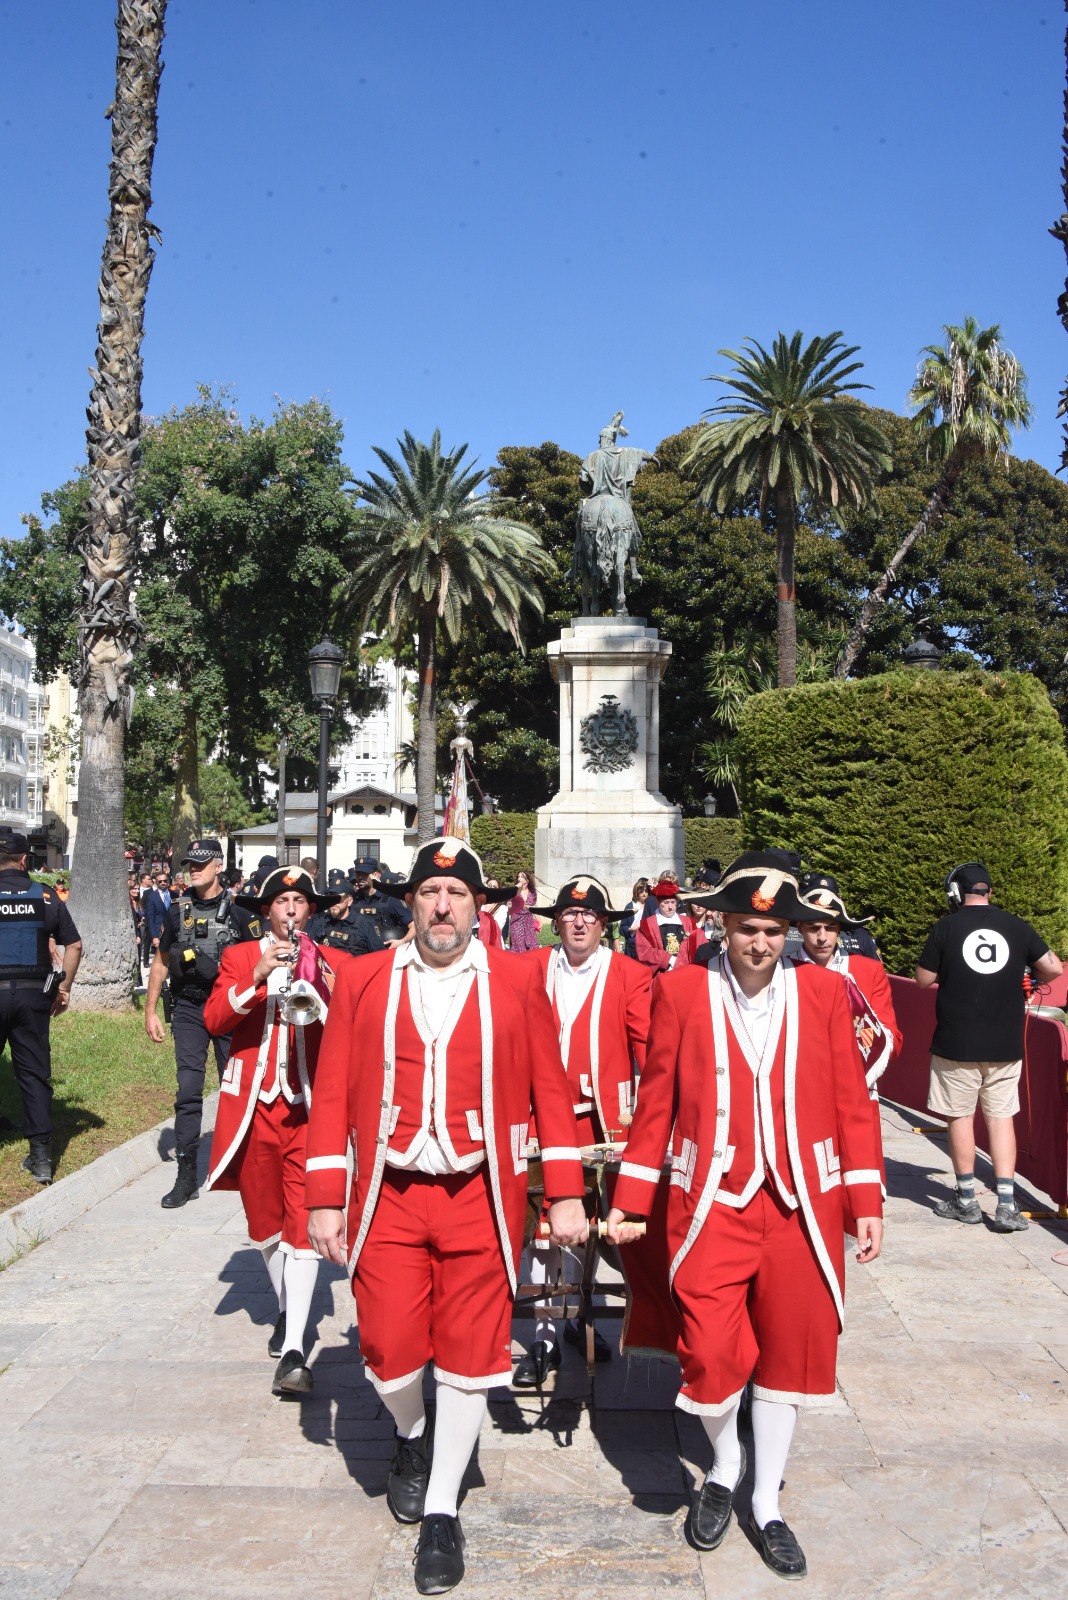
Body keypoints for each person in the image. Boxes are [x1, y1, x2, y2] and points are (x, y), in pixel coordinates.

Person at [305, 838, 586, 1596]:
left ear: (477, 906)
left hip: (479, 1195)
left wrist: (564, 1191)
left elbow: (551, 1090)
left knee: (470, 1354)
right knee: (387, 1348)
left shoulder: (519, 979)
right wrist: (325, 1197)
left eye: (456, 894)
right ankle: (411, 1430)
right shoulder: (364, 978)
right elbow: (331, 1090)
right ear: (411, 902)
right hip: (390, 1194)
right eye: (430, 892)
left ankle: (441, 1510)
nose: (442, 906)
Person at [607, 851, 883, 1581]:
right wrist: (631, 1198)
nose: (761, 942)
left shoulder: (825, 991)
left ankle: (767, 1503)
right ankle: (726, 1465)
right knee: (708, 1351)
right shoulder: (682, 990)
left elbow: (852, 1101)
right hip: (710, 1202)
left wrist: (866, 1200)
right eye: (747, 928)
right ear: (723, 926)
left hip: (801, 1203)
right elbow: (657, 1102)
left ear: (788, 932)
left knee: (792, 1350)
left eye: (773, 930)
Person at [204, 865, 349, 1397]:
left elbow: (351, 1026)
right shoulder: (240, 955)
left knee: (304, 1222)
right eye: (283, 901)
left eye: (300, 901)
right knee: (265, 1222)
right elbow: (214, 1019)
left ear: (311, 910)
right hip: (255, 1108)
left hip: (309, 1111)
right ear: (267, 911)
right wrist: (258, 975)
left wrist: (324, 985)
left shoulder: (333, 960)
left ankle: (293, 1350)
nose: (291, 909)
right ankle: (289, 1311)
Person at [513, 875, 652, 1385]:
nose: (578, 922)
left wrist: (653, 1120)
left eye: (589, 914)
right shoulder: (528, 967)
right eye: (569, 914)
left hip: (602, 1122)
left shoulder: (630, 974)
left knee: (589, 1223)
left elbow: (649, 1052)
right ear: (555, 921)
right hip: (537, 1117)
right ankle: (544, 1339)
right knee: (542, 1224)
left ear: (603, 923)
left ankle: (577, 1314)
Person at [915, 861, 1063, 1233]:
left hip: (956, 1043)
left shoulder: (945, 927)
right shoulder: (1016, 926)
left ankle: (966, 1201)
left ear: (955, 893)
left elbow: (923, 979)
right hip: (1005, 1044)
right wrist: (1026, 974)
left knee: (960, 1117)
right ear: (989, 891)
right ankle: (1007, 1205)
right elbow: (1053, 968)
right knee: (1001, 1118)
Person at [144, 839, 256, 1208]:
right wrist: (150, 1011)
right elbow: (161, 961)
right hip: (189, 1008)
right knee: (188, 1089)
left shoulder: (241, 914)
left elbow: (261, 965)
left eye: (201, 864)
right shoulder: (177, 911)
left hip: (229, 1008)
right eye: (190, 864)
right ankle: (186, 1174)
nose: (194, 869)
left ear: (218, 866)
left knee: (236, 1087)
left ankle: (246, 1164)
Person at [792, 875, 901, 1185]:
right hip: (799, 1093)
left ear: (840, 928)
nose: (822, 937)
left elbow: (893, 1040)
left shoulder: (868, 970)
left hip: (856, 1094)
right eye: (813, 927)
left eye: (830, 927)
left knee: (858, 1185)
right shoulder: (783, 969)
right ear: (799, 927)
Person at [0, 829, 82, 1184]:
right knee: (34, 1073)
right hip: (34, 997)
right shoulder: (46, 896)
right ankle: (41, 1158)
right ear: (23, 860)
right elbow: (74, 945)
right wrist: (63, 989)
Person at [308, 867, 385, 958]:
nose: (334, 903)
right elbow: (308, 952)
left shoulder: (364, 924)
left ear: (349, 901)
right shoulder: (320, 923)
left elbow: (379, 956)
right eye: (331, 898)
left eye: (339, 899)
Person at [635, 879, 703, 974]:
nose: (670, 907)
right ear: (657, 903)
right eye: (666, 903)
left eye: (673, 902)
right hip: (661, 974)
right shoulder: (646, 925)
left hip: (686, 971)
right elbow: (644, 951)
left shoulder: (689, 922)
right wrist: (669, 960)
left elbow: (697, 945)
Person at [351, 855, 412, 946]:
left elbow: (413, 926)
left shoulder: (390, 899)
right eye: (358, 873)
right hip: (359, 950)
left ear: (376, 874)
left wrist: (402, 941)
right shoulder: (352, 900)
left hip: (385, 950)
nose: (360, 877)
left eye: (364, 874)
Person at [508, 869, 539, 952]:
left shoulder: (532, 892)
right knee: (518, 943)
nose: (519, 878)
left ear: (527, 880)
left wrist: (539, 920)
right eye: (518, 877)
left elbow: (534, 907)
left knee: (531, 944)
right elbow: (510, 906)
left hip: (528, 920)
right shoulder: (514, 891)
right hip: (516, 919)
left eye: (522, 877)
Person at [619, 877, 650, 960]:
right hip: (633, 944)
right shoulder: (630, 906)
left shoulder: (650, 905)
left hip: (647, 944)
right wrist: (630, 929)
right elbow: (623, 926)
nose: (644, 894)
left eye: (646, 891)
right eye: (641, 891)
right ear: (636, 892)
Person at [143, 869, 172, 955]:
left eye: (165, 881)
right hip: (159, 932)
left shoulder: (175, 894)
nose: (163, 883)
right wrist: (154, 936)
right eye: (160, 881)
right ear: (156, 882)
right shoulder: (152, 897)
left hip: (174, 932)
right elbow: (150, 917)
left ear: (168, 881)